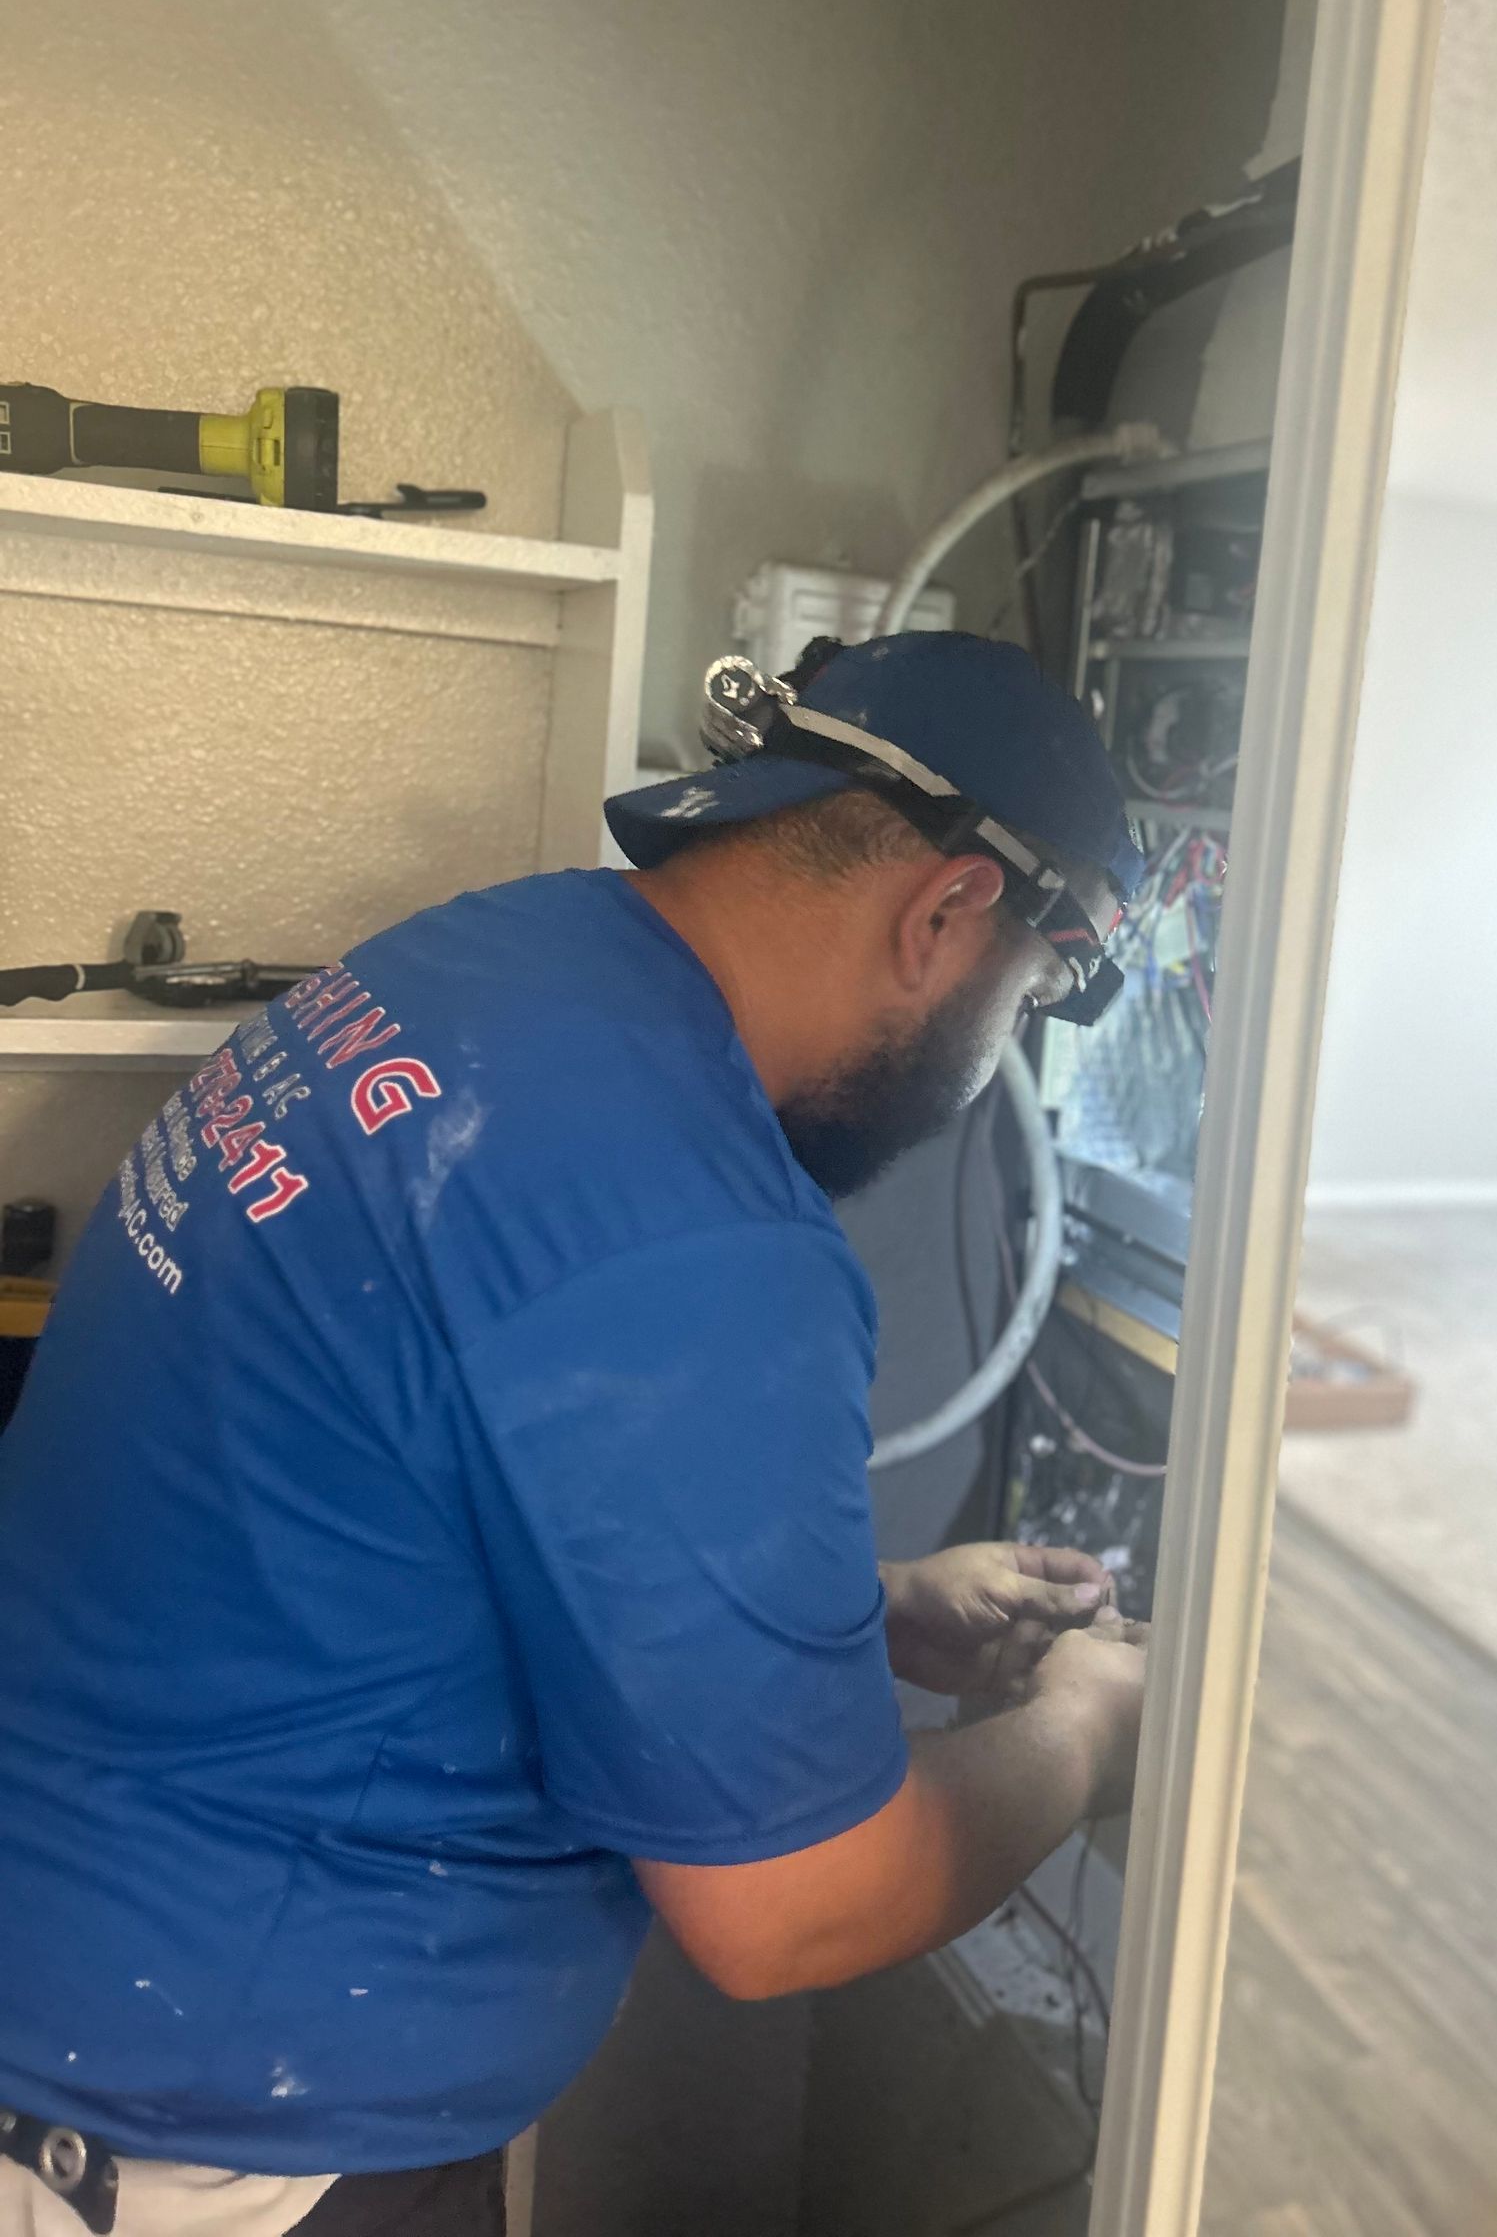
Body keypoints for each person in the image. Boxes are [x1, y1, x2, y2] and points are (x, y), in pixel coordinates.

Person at [0, 631, 1150, 2237]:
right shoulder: (693, 1241)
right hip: (194, 2134)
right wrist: (1091, 1727)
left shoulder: (483, 965)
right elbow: (796, 1907)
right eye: (1026, 996)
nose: (996, 1053)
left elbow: (436, 1499)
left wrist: (872, 1617)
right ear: (950, 913)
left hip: (95, 1967)